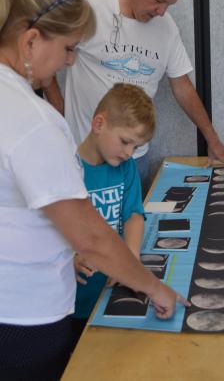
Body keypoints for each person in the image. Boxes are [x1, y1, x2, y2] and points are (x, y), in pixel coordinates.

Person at [0, 0, 188, 381]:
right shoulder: (34, 122)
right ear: (31, 40)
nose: (70, 61)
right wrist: (154, 287)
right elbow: (91, 236)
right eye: (69, 49)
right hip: (23, 318)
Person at [44, 0, 224, 193]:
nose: (161, 11)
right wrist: (57, 108)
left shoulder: (166, 28)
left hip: (134, 156)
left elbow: (183, 87)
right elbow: (48, 52)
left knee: (134, 221)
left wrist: (212, 138)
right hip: (85, 154)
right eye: (158, 0)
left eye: (168, 4)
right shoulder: (91, 10)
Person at [72, 82, 155, 340]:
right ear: (99, 124)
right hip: (73, 303)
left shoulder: (126, 168)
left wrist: (129, 263)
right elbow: (46, 231)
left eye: (136, 147)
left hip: (110, 292)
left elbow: (133, 215)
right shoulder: (67, 168)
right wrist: (70, 260)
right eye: (125, 142)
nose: (130, 153)